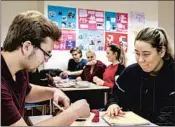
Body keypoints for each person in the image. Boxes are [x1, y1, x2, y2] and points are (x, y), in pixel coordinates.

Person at [1, 10, 90, 126]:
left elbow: (26, 91)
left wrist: (54, 91)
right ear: (27, 47)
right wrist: (74, 112)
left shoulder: (20, 69)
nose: (45, 60)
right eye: (46, 53)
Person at [105, 27, 175, 126]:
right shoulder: (131, 72)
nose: (140, 60)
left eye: (146, 54)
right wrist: (113, 104)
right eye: (137, 53)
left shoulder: (171, 74)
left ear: (162, 51)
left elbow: (168, 120)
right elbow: (116, 95)